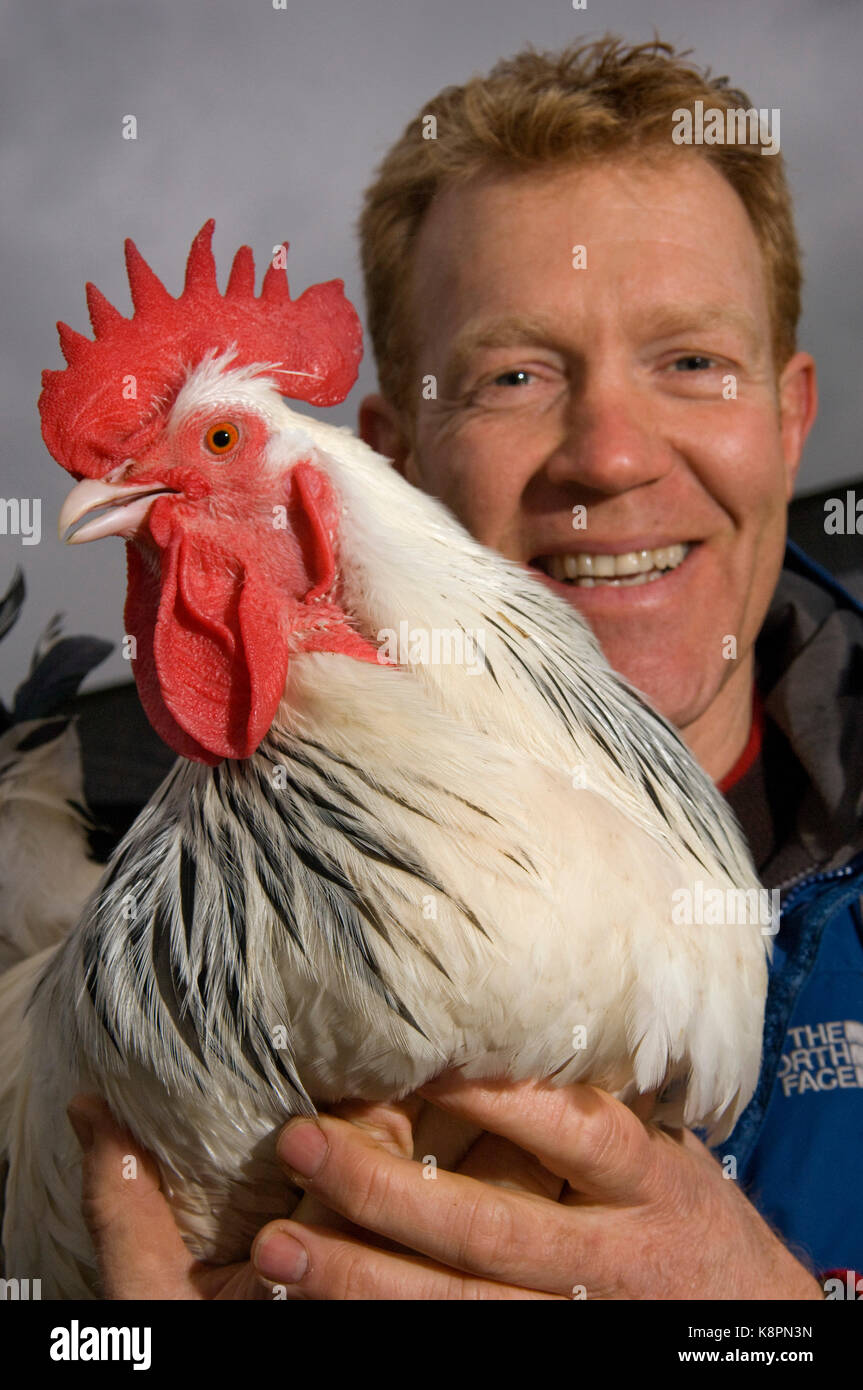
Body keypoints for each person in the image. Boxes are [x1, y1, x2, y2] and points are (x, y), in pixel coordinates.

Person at [67, 37, 862, 1300]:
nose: (607, 456)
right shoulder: (114, 952)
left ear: (788, 415)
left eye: (691, 363)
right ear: (389, 451)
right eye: (512, 376)